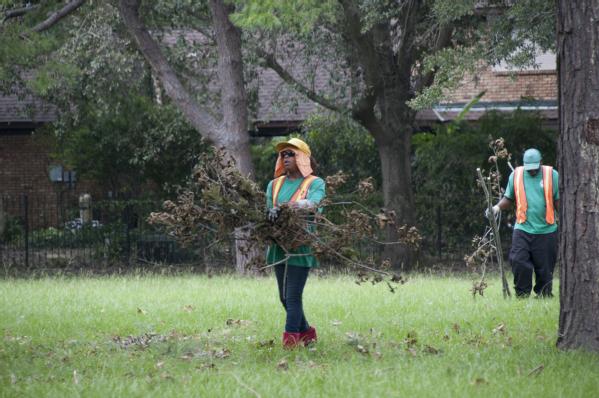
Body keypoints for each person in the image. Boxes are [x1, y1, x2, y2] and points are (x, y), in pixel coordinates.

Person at [265, 138, 326, 348]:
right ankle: (308, 333)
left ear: (302, 157)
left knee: (292, 297)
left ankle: (290, 342)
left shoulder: (315, 183)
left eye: (290, 153)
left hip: (300, 246)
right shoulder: (274, 184)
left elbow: (314, 204)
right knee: (284, 297)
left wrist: (287, 207)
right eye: (283, 155)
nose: (286, 157)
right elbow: (267, 212)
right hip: (278, 247)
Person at [486, 148, 559, 297]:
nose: (532, 172)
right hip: (523, 228)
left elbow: (558, 201)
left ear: (541, 163)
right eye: (529, 169)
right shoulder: (516, 175)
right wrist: (496, 208)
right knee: (518, 261)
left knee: (545, 269)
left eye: (535, 169)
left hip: (547, 230)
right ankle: (522, 295)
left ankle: (544, 296)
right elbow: (509, 198)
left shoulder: (552, 175)